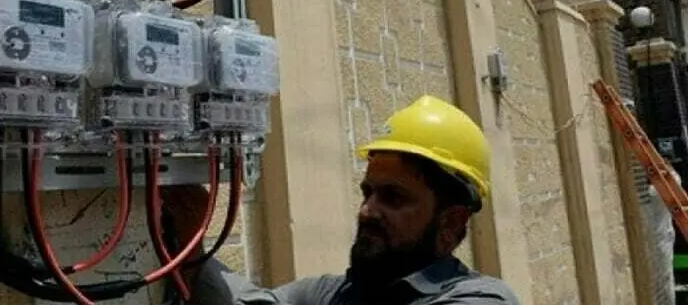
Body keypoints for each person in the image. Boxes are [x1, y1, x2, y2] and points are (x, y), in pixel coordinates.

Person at [163, 95, 522, 304]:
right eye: (368, 192)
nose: (367, 211)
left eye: (394, 197)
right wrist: (190, 244)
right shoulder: (335, 294)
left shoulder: (481, 297)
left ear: (451, 223)